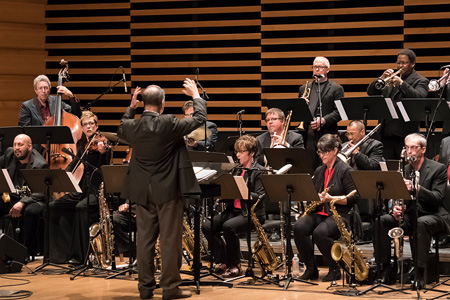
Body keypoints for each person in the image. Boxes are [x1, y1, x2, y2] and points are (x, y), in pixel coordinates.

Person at [117, 79, 206, 300]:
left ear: (142, 102)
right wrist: (195, 94)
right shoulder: (168, 123)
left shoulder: (131, 127)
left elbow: (122, 126)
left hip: (142, 192)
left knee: (144, 240)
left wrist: (131, 106)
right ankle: (170, 288)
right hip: (167, 191)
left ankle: (145, 289)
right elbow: (200, 119)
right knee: (169, 240)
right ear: (163, 103)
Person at [376, 133, 449, 288]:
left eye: (413, 148)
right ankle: (386, 269)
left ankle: (419, 274)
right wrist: (394, 208)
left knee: (420, 223)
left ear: (423, 149)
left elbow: (437, 198)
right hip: (411, 215)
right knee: (382, 220)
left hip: (434, 215)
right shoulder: (404, 169)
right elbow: (396, 196)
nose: (409, 151)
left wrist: (417, 188)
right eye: (407, 147)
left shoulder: (438, 169)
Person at [293, 134, 359, 282]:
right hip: (320, 212)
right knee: (299, 226)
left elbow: (354, 197)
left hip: (340, 214)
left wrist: (332, 199)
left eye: (325, 152)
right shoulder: (319, 171)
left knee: (319, 233)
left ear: (335, 151)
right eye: (319, 152)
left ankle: (335, 267)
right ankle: (311, 269)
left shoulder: (345, 171)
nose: (321, 155)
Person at [49, 111, 111, 265]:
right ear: (82, 128)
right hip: (82, 189)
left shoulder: (103, 143)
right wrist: (62, 176)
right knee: (53, 206)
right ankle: (61, 253)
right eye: (85, 124)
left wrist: (103, 152)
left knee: (81, 208)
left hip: (97, 191)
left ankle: (79, 257)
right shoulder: (82, 145)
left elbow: (105, 165)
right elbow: (73, 163)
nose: (88, 126)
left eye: (91, 124)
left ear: (96, 126)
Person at [202, 135, 266, 278]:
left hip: (251, 214)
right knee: (207, 225)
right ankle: (222, 260)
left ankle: (235, 264)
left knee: (228, 226)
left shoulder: (258, 170)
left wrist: (245, 192)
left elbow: (260, 196)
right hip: (233, 211)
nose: (238, 155)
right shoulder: (236, 170)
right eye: (237, 152)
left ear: (251, 153)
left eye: (241, 152)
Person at [367, 49, 429, 159]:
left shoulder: (421, 80)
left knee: (405, 166)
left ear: (412, 64)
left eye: (404, 63)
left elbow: (419, 97)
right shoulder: (390, 80)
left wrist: (401, 84)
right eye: (398, 63)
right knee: (388, 166)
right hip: (386, 132)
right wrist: (381, 79)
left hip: (405, 132)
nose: (400, 66)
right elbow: (371, 92)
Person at [0, 134, 48, 257]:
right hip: (13, 197)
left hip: (32, 199)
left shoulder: (39, 164)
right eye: (15, 144)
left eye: (20, 145)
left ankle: (24, 252)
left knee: (32, 211)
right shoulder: (9, 154)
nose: (16, 148)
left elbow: (41, 192)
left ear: (30, 147)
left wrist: (22, 203)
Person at [298, 56, 344, 169]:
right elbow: (298, 112)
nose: (317, 70)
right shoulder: (304, 88)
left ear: (327, 69)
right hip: (308, 134)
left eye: (320, 67)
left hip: (327, 133)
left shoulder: (336, 88)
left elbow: (340, 112)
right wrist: (301, 105)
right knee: (309, 165)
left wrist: (324, 120)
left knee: (326, 165)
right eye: (315, 67)